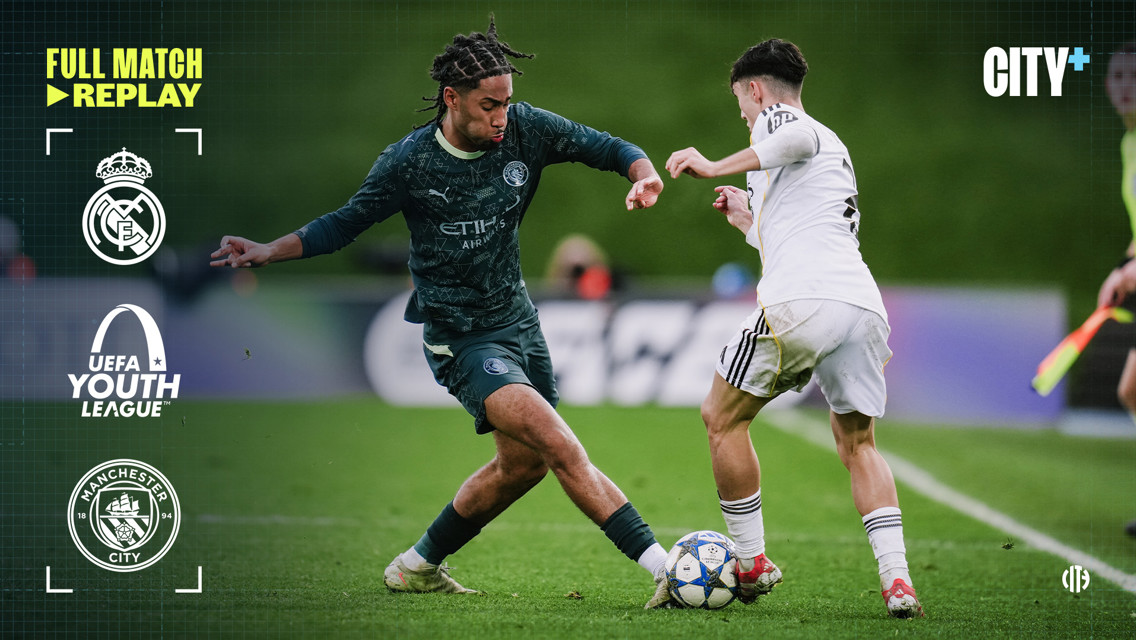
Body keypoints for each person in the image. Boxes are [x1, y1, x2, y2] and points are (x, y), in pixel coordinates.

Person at [210, 18, 674, 605]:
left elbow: (609, 147)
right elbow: (343, 224)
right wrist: (268, 250)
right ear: (452, 99)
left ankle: (418, 564)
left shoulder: (525, 130)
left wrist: (643, 172)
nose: (502, 116)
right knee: (557, 442)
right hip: (461, 337)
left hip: (520, 323)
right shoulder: (408, 163)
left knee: (523, 466)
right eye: (488, 105)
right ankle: (666, 568)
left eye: (507, 102)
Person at [664, 38, 923, 618]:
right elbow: (796, 234)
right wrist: (745, 221)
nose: (745, 116)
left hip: (801, 303)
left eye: (742, 104)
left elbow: (792, 134)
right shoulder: (833, 152)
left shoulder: (786, 123)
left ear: (755, 90)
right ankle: (899, 582)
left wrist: (711, 164)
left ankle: (752, 561)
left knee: (721, 417)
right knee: (859, 444)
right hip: (859, 305)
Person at [1095, 40, 1136, 537]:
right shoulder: (1129, 142)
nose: (1126, 88)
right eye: (1119, 78)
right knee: (1131, 388)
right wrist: (1123, 266)